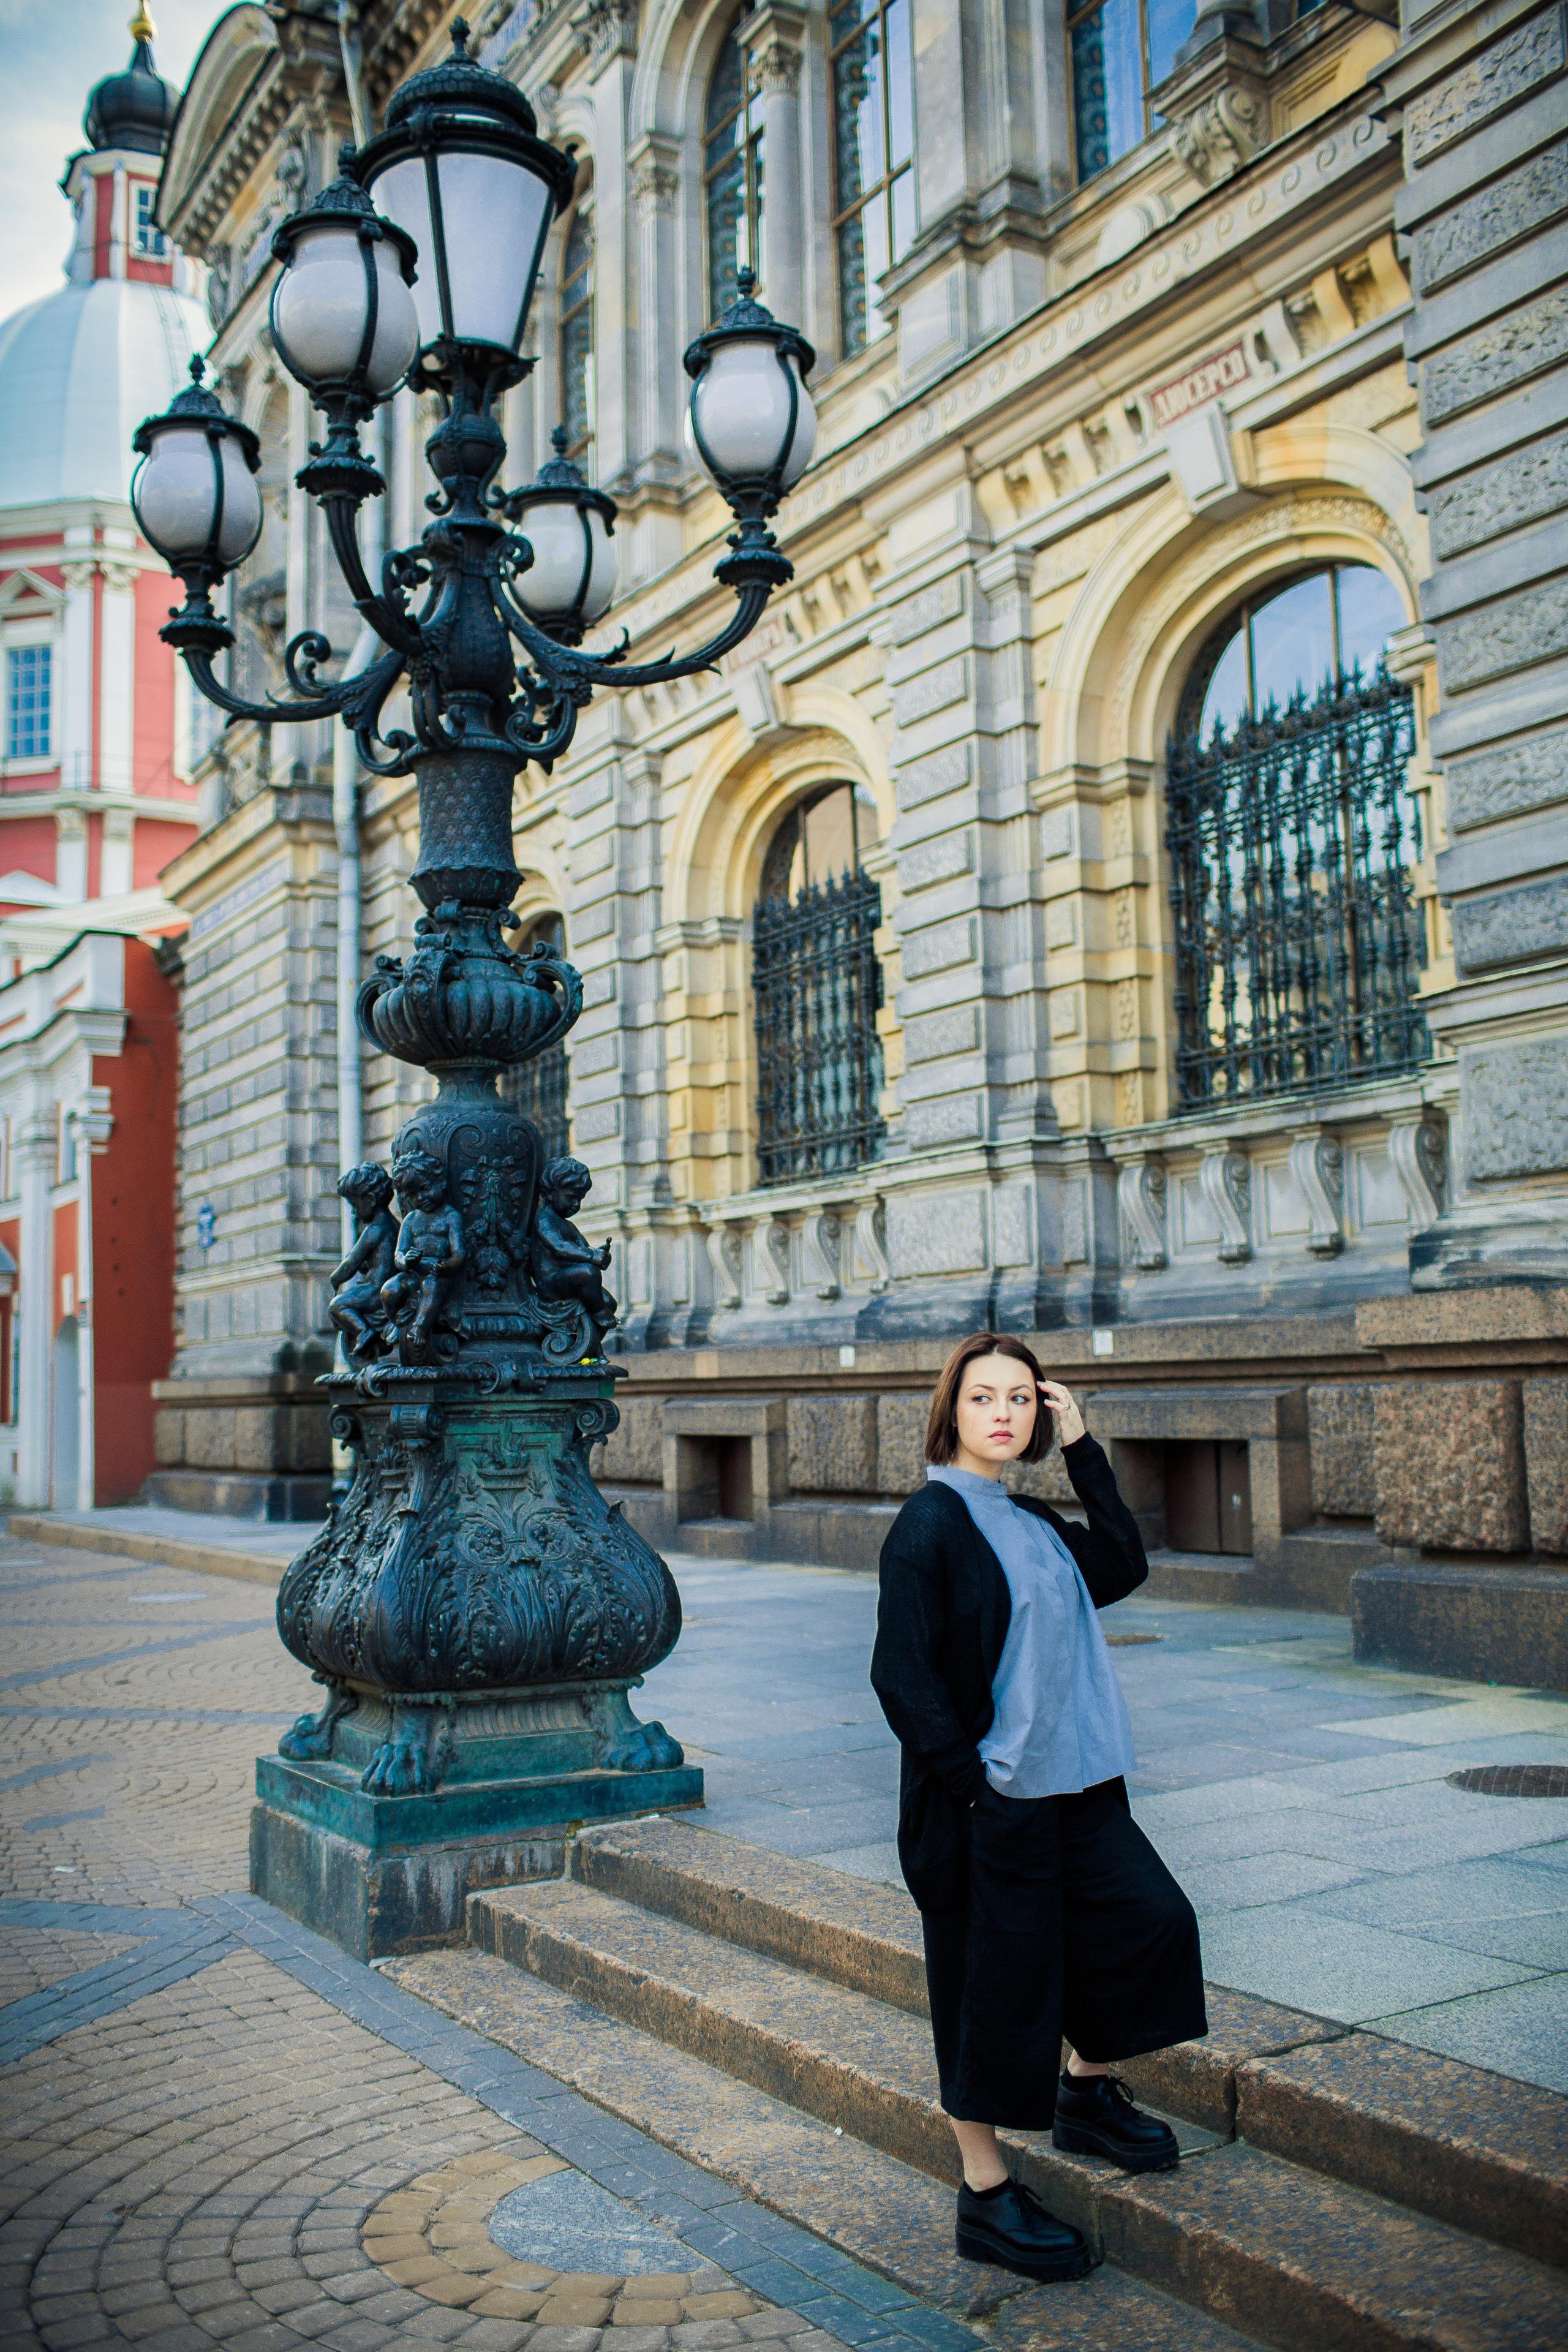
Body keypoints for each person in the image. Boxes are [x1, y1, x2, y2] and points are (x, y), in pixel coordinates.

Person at [869, 1332, 1207, 2284]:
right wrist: (973, 1785)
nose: (1006, 1415)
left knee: (1146, 1924)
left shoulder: (1034, 1523)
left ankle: (1086, 2093)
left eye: (1022, 1398)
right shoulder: (930, 1525)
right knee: (989, 1997)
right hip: (992, 1802)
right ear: (952, 1412)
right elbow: (903, 1674)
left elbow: (1124, 1565)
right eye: (985, 1398)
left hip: (1081, 1788)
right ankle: (984, 2195)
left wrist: (1087, 1448)